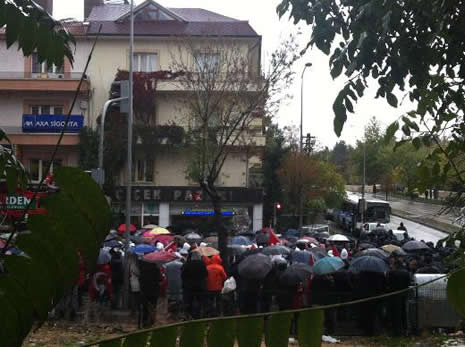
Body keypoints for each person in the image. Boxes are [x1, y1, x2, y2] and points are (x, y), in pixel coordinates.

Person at [386, 259, 411, 336]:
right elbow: (408, 284)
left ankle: (396, 331)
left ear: (395, 265)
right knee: (403, 312)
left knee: (394, 314)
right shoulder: (407, 273)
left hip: (393, 295)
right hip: (403, 295)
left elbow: (388, 283)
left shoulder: (392, 272)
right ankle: (404, 329)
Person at [181, 251, 208, 319]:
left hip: (189, 287)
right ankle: (198, 315)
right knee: (199, 301)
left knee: (189, 301)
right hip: (200, 286)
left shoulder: (187, 263)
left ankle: (189, 315)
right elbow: (206, 274)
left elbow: (183, 275)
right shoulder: (202, 264)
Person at [139, 259, 162, 327]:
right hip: (154, 291)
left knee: (145, 308)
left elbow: (140, 279)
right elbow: (160, 279)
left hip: (145, 291)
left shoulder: (142, 269)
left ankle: (144, 322)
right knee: (153, 307)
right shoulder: (156, 269)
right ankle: (152, 322)